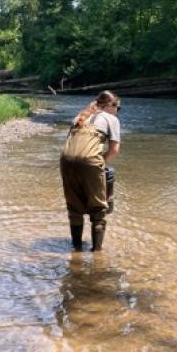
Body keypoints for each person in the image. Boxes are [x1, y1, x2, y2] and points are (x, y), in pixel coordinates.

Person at [59, 90, 121, 252]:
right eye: (118, 107)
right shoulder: (111, 119)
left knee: (74, 207)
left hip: (66, 160)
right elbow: (114, 150)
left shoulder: (79, 117)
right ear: (111, 106)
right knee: (98, 209)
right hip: (89, 161)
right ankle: (97, 254)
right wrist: (99, 165)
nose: (118, 111)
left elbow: (72, 144)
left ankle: (76, 249)